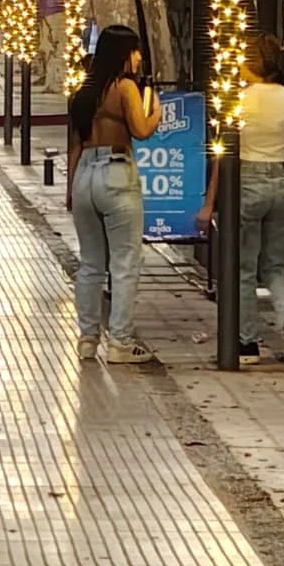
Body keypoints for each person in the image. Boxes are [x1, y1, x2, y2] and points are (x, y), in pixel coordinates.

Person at [198, 35, 284, 364]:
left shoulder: (237, 101)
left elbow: (224, 158)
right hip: (281, 182)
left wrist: (210, 202)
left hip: (246, 181)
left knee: (243, 268)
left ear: (251, 64)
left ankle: (247, 343)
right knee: (277, 265)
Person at [66, 23, 161, 363]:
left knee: (91, 263)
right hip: (116, 172)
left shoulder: (84, 90)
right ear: (124, 54)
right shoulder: (124, 88)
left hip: (85, 177)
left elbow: (75, 145)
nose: (138, 58)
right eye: (135, 51)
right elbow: (141, 129)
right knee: (124, 262)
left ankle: (87, 337)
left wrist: (70, 189)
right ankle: (120, 340)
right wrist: (157, 111)